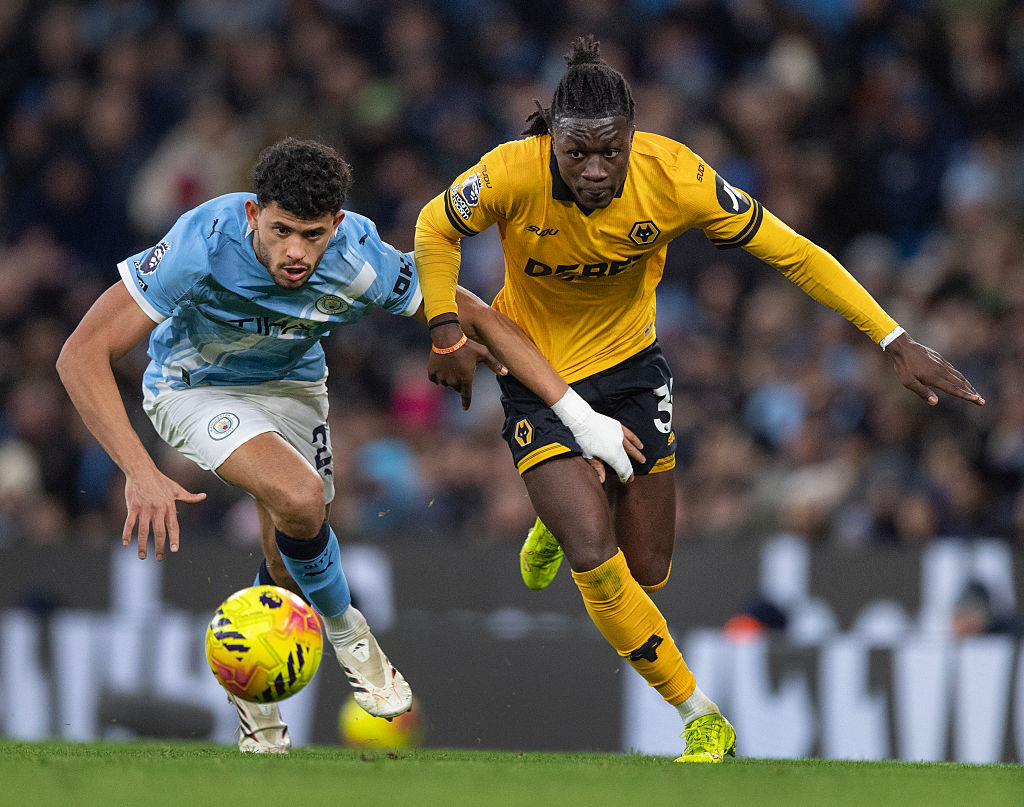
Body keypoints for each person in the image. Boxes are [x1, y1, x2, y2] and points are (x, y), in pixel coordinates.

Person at [414, 36, 985, 762]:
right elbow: (436, 227)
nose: (594, 170)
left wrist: (892, 337)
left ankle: (559, 521)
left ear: (633, 137)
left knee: (648, 567)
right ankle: (697, 712)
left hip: (631, 373)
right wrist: (443, 331)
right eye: (576, 153)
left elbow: (792, 249)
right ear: (549, 138)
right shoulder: (508, 172)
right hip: (535, 372)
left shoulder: (676, 176)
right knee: (597, 553)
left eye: (609, 152)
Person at [56, 137, 641, 753]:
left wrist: (583, 420)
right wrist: (139, 471)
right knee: (303, 498)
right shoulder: (201, 244)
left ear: (336, 225)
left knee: (287, 556)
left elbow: (481, 320)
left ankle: (257, 711)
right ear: (254, 214)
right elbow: (80, 354)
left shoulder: (358, 256)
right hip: (194, 386)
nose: (295, 252)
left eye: (312, 235)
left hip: (294, 387)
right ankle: (349, 634)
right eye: (280, 230)